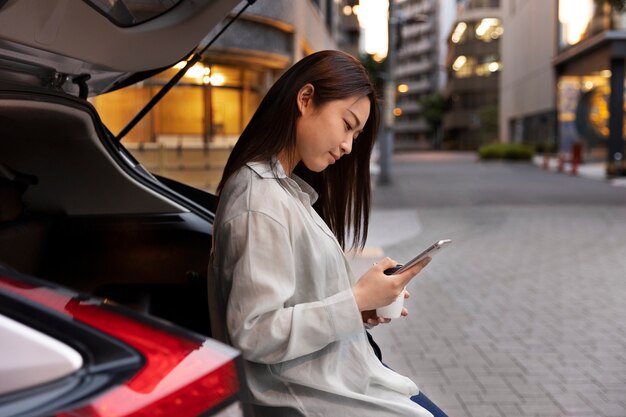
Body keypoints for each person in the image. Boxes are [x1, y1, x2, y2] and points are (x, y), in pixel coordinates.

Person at [208, 50, 447, 417]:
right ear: (305, 100)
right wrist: (353, 301)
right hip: (307, 396)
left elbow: (294, 302)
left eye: (356, 133)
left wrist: (362, 306)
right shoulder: (261, 198)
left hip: (337, 379)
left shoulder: (285, 190)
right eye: (347, 124)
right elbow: (255, 331)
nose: (349, 146)